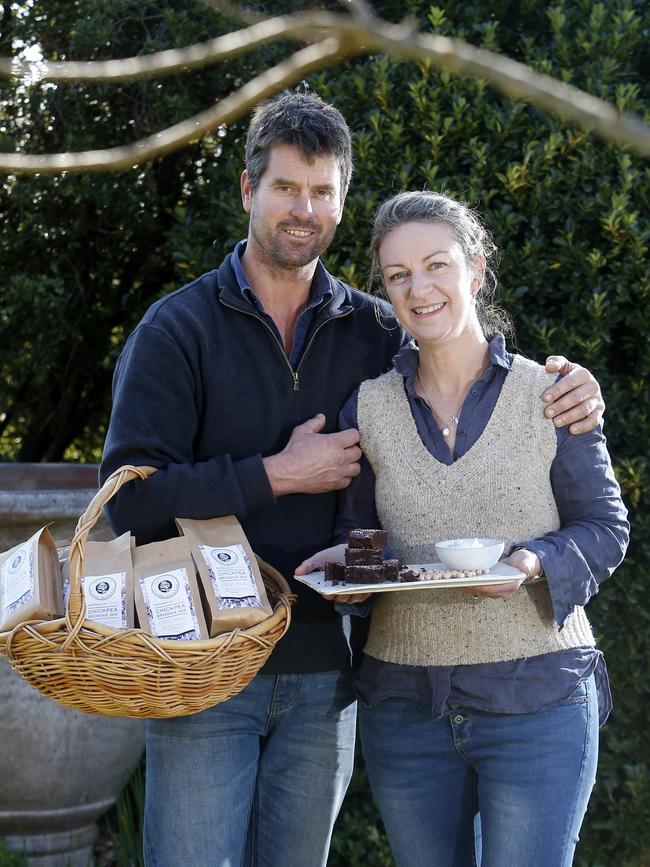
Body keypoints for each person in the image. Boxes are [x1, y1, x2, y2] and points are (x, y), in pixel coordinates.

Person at [100, 92, 606, 867]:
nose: (304, 209)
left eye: (322, 191)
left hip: (322, 676)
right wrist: (273, 475)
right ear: (248, 190)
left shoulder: (377, 331)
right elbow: (127, 504)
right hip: (203, 666)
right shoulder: (179, 330)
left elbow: (464, 372)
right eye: (285, 187)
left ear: (340, 201)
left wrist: (573, 386)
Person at [297, 191, 629, 867]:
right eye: (398, 275)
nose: (420, 288)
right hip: (405, 709)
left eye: (437, 264)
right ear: (385, 290)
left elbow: (604, 527)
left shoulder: (551, 392)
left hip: (537, 698)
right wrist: (350, 573)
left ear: (476, 270)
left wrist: (533, 563)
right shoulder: (367, 406)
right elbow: (364, 534)